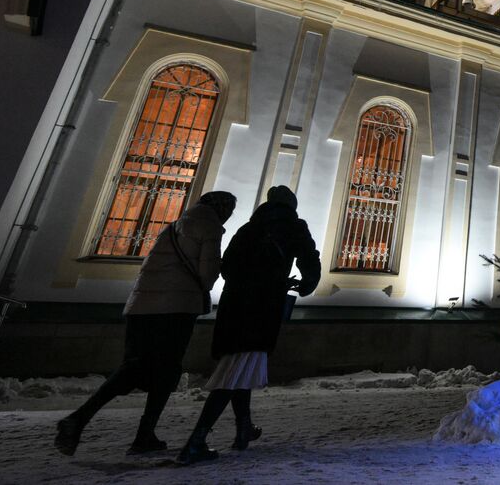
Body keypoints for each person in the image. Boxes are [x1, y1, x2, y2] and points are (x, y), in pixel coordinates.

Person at [54, 190, 236, 456]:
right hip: (175, 310)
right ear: (223, 209)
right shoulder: (210, 227)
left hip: (141, 306)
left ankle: (85, 419)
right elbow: (207, 276)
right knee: (166, 371)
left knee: (132, 367)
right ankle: (140, 433)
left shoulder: (175, 225)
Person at [177, 185, 320, 464]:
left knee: (241, 366)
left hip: (233, 308)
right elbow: (309, 259)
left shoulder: (248, 228)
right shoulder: (293, 226)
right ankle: (196, 441)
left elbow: (227, 267)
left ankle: (244, 428)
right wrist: (301, 285)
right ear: (291, 206)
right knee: (234, 373)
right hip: (261, 310)